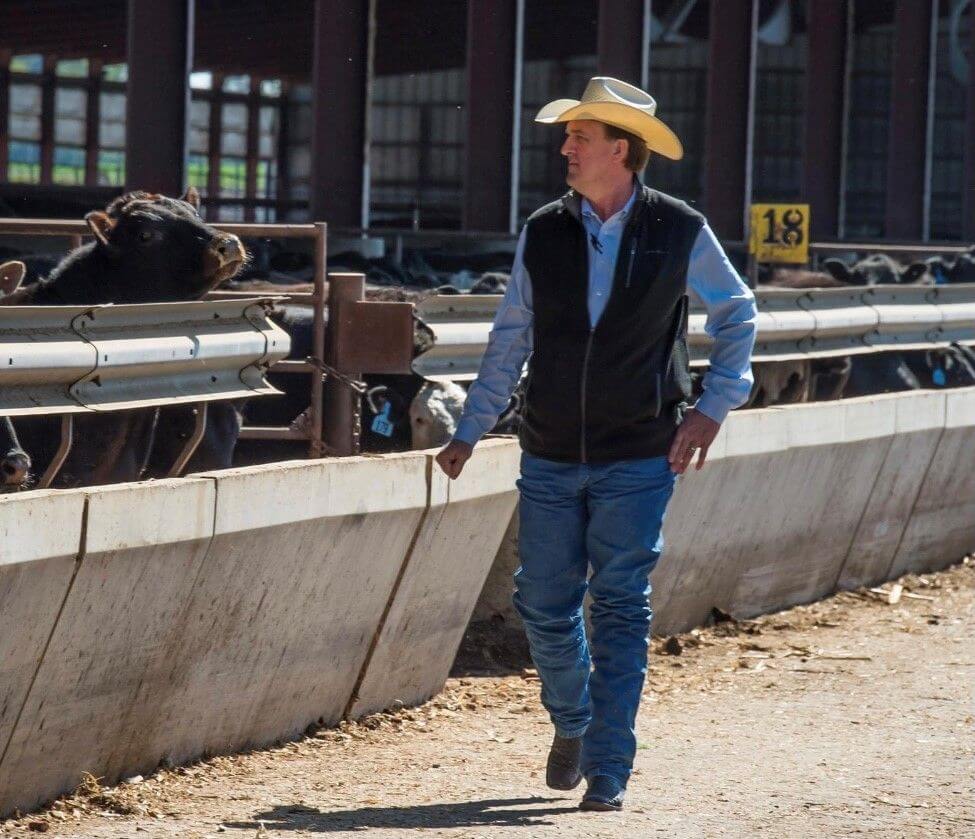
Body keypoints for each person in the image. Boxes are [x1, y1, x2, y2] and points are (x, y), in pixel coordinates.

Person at [435, 77, 758, 812]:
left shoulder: (678, 228)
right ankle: (575, 721)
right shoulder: (544, 229)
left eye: (579, 137)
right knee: (543, 603)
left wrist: (712, 406)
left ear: (620, 149)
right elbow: (510, 333)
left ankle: (609, 765)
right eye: (568, 136)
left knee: (618, 604)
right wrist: (470, 424)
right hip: (547, 447)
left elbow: (737, 314)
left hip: (641, 452)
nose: (565, 148)